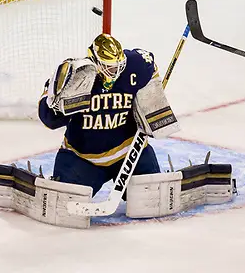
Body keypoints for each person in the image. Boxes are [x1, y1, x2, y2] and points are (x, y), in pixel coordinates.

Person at [38, 33, 177, 198]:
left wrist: (151, 98)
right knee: (64, 205)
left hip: (129, 154)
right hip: (84, 159)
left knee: (152, 199)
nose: (116, 72)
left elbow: (149, 66)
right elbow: (50, 120)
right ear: (96, 62)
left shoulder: (134, 66)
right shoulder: (77, 76)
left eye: (119, 65)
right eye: (109, 67)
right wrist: (53, 97)